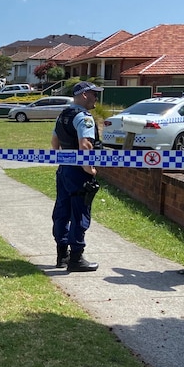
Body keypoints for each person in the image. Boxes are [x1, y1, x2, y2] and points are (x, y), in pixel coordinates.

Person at [51, 81, 102, 272]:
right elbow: (85, 145)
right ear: (85, 95)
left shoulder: (63, 114)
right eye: (94, 94)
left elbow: (54, 142)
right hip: (79, 172)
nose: (97, 97)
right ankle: (76, 258)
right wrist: (89, 169)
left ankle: (62, 255)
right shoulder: (84, 118)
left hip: (64, 169)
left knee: (62, 211)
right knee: (80, 212)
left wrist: (62, 160)